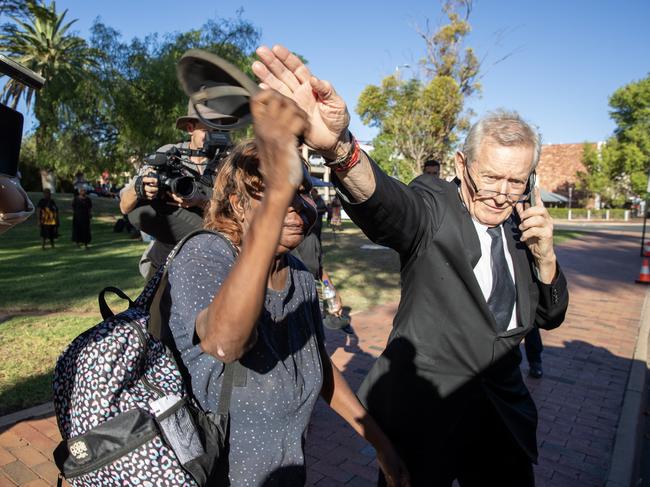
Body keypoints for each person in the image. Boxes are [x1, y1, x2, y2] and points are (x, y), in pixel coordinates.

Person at [252, 45, 569, 486]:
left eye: (516, 182)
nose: (501, 193)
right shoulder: (434, 209)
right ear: (462, 165)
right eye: (492, 177)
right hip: (427, 420)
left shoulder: (523, 226)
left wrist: (546, 257)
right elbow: (386, 201)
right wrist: (339, 148)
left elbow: (549, 317)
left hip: (503, 420)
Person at [161, 89, 409, 486]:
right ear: (238, 205)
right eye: (275, 189)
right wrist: (279, 191)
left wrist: (380, 443)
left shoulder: (296, 274)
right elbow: (224, 342)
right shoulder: (207, 255)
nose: (294, 203)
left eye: (303, 191)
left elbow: (315, 363)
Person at [120, 99, 229, 278]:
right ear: (190, 128)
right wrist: (142, 187)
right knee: (139, 211)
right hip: (167, 257)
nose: (213, 137)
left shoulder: (229, 161)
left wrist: (201, 201)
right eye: (207, 130)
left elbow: (240, 210)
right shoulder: (169, 154)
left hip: (215, 242)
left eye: (218, 130)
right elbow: (125, 207)